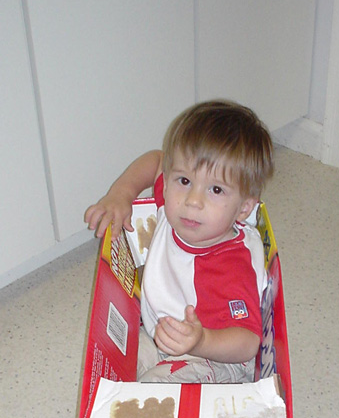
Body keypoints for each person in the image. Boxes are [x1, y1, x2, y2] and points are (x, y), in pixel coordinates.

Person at [85, 100, 274, 383]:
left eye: (216, 189)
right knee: (117, 367)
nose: (192, 201)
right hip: (162, 334)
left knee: (152, 389)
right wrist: (121, 194)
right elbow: (157, 159)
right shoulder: (171, 210)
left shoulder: (234, 263)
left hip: (216, 357)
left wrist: (201, 341)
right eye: (184, 181)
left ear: (244, 208)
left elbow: (247, 342)